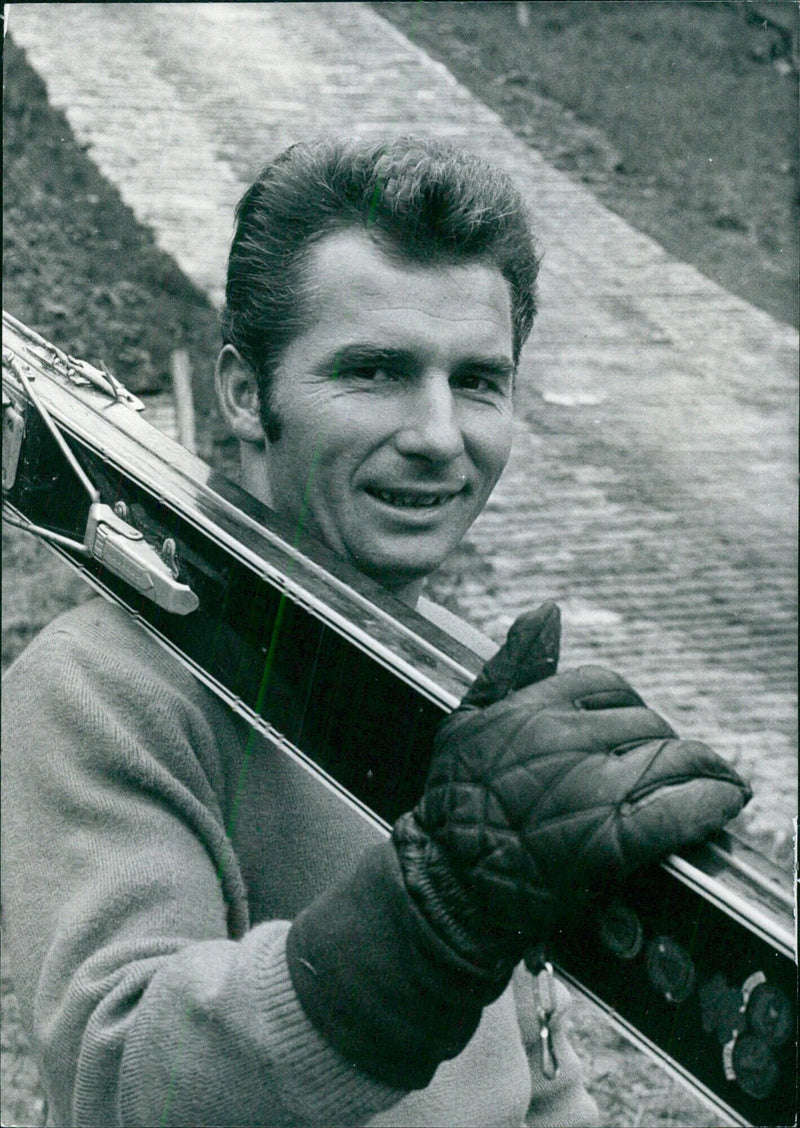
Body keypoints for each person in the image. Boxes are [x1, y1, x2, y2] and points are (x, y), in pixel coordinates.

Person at [1, 136, 750, 1128]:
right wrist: (432, 919)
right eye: (376, 371)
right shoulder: (103, 689)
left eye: (477, 381)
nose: (439, 435)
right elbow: (124, 1084)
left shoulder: (443, 671)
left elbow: (541, 1086)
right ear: (241, 392)